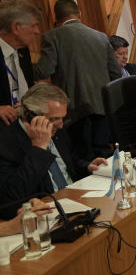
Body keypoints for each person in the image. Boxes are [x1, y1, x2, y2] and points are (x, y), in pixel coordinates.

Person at [0, 84, 106, 220]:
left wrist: (86, 166)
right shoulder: (5, 144)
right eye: (53, 119)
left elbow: (69, 164)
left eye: (62, 118)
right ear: (29, 115)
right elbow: (11, 200)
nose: (61, 125)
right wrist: (38, 148)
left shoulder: (57, 131)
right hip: (46, 215)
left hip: (76, 202)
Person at [35, 0, 122, 160]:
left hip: (72, 111)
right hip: (102, 109)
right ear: (79, 14)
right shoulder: (101, 37)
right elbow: (116, 73)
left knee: (81, 160)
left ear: (56, 19)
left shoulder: (51, 37)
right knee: (103, 159)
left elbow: (44, 71)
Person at [0, 0, 41, 125]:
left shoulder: (23, 51)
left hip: (23, 125)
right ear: (16, 27)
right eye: (33, 25)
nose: (37, 31)